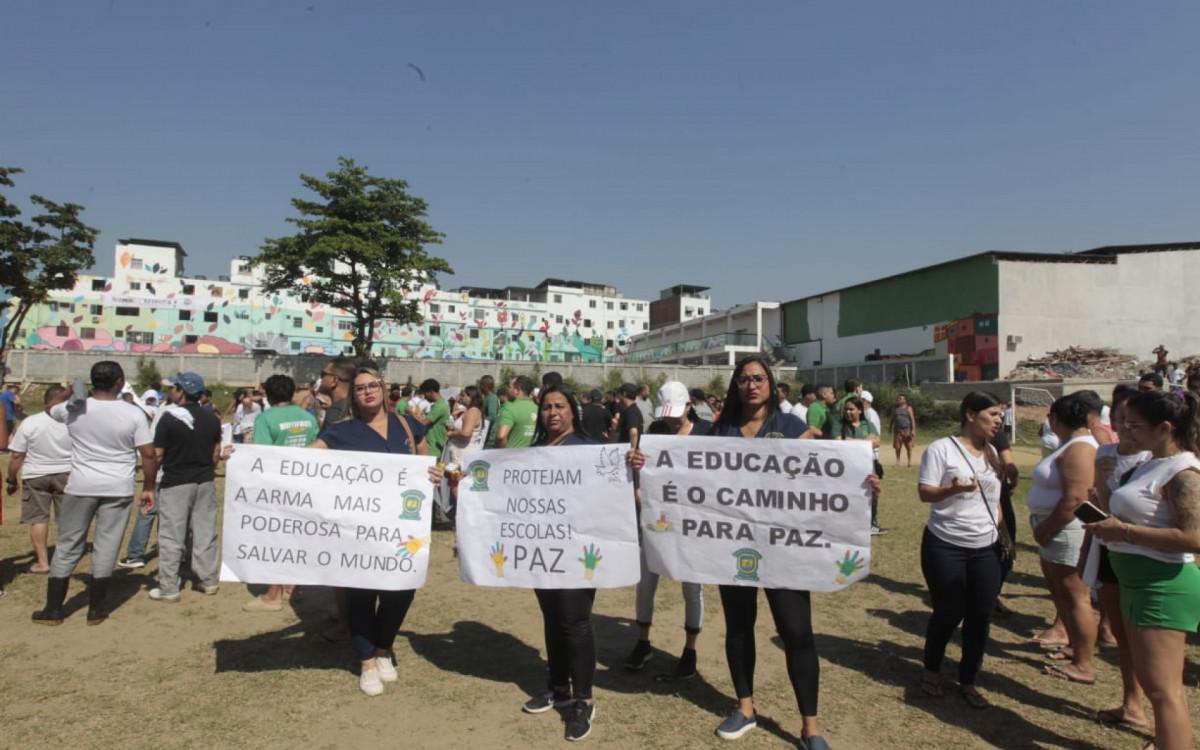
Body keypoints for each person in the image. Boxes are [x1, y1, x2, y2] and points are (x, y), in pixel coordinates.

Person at [706, 356, 833, 749]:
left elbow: (823, 480)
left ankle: (810, 727)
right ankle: (745, 708)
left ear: (770, 382)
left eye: (759, 378)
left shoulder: (793, 427)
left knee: (797, 633)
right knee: (739, 628)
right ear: (735, 386)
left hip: (785, 548)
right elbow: (688, 474)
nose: (751, 385)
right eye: (743, 379)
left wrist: (861, 486)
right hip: (735, 546)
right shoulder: (719, 431)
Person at [1085, 390, 1200, 750]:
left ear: (1165, 428)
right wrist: (1102, 495)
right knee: (1157, 687)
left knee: (1163, 691)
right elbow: (1127, 512)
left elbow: (1195, 538)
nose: (1124, 432)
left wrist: (1126, 532)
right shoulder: (1149, 462)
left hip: (1161, 585)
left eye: (1134, 425)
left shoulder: (1183, 472)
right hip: (1136, 581)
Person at [310, 365, 431, 696]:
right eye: (360, 387)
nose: (367, 391)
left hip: (404, 526)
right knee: (361, 593)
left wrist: (433, 473)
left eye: (372, 385)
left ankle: (382, 648)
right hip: (360, 529)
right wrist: (246, 458)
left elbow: (425, 462)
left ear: (383, 387)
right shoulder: (341, 432)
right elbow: (302, 462)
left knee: (402, 588)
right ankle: (366, 659)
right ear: (354, 395)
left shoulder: (408, 425)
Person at [32, 362, 158, 626]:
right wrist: (148, 486)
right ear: (120, 381)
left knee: (67, 544)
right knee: (107, 544)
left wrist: (71, 391)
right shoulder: (133, 413)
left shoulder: (75, 409)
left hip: (80, 485)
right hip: (117, 487)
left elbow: (48, 407)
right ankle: (96, 610)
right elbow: (147, 453)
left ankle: (53, 610)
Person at [916, 391, 1006, 710]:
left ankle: (969, 679)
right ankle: (931, 669)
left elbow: (995, 501)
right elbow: (925, 493)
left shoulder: (993, 453)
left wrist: (1003, 536)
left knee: (980, 616)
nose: (999, 421)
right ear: (970, 414)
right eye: (993, 414)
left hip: (986, 547)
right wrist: (952, 489)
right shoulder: (942, 449)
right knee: (948, 612)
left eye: (1000, 415)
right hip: (946, 544)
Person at [519, 385, 599, 742]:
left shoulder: (589, 450)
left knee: (574, 621)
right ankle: (559, 688)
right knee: (553, 618)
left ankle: (584, 698)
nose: (552, 412)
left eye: (560, 406)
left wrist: (630, 466)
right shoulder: (533, 452)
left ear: (572, 412)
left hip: (577, 551)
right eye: (547, 407)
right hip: (542, 550)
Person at [625, 381, 709, 681]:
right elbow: (640, 469)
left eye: (677, 413)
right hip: (656, 521)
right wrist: (634, 468)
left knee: (692, 587)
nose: (672, 420)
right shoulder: (655, 434)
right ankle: (643, 641)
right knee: (646, 584)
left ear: (690, 407)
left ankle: (690, 648)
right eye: (667, 414)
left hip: (692, 525)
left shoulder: (706, 434)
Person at [1087, 386, 1150, 729]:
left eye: (1131, 421)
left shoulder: (1157, 460)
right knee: (1122, 635)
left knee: (1149, 643)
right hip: (1110, 551)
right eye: (1120, 420)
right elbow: (1102, 511)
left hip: (1146, 557)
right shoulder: (1105, 453)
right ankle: (1132, 703)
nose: (1124, 427)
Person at [1027, 394, 1099, 685]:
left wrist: (1047, 528)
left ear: (1056, 419)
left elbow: (1076, 499)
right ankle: (1073, 648)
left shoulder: (1080, 448)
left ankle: (1084, 663)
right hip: (1056, 528)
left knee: (1076, 597)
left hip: (1066, 529)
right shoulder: (1070, 445)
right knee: (1062, 595)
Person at [243, 374, 321, 612]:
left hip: (277, 488)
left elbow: (262, 455)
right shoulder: (308, 417)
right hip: (305, 486)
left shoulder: (265, 418)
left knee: (274, 539)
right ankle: (292, 585)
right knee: (297, 537)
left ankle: (273, 594)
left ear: (268, 394)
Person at [146, 372, 224, 602]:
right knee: (205, 532)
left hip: (176, 481)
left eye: (174, 387)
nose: (171, 391)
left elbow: (157, 454)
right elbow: (216, 452)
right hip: (205, 480)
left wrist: (150, 483)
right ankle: (208, 580)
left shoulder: (169, 418)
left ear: (181, 391)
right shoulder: (212, 418)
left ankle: (169, 586)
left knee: (171, 535)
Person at [7, 385, 72, 574]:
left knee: (38, 519)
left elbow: (17, 455)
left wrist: (12, 479)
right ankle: (64, 558)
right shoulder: (73, 421)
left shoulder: (31, 422)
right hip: (66, 473)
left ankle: (43, 561)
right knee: (66, 519)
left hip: (36, 474)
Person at [834, 396, 885, 535]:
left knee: (872, 493)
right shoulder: (839, 425)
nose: (848, 412)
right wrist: (864, 442)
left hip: (868, 466)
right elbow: (839, 441)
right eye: (846, 410)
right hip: (846, 467)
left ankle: (872, 523)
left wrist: (851, 441)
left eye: (851, 409)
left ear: (860, 411)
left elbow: (877, 442)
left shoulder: (868, 425)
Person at [410, 379, 450, 457]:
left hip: (434, 448)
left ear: (431, 392)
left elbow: (424, 423)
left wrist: (410, 412)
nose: (424, 397)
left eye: (425, 394)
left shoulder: (440, 406)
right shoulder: (440, 404)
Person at [496, 376, 537, 449]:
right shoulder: (538, 409)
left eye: (510, 387)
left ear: (517, 390)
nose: (508, 390)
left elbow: (501, 436)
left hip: (512, 456)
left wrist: (500, 453)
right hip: (532, 456)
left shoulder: (510, 408)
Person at [319, 356, 355, 428]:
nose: (321, 378)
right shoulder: (354, 407)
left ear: (334, 380)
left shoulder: (335, 414)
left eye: (323, 374)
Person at [890, 395, 917, 467]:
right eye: (898, 398)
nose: (898, 400)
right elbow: (892, 419)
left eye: (900, 399)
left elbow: (912, 419)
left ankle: (909, 462)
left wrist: (913, 430)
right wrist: (890, 428)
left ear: (904, 400)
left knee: (909, 447)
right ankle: (897, 462)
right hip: (897, 430)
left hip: (907, 430)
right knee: (897, 447)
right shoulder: (895, 409)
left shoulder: (908, 408)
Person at [479, 375, 502, 448]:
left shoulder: (492, 399)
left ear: (485, 386)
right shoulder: (487, 398)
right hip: (486, 437)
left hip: (490, 439)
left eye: (481, 385)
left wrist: (479, 422)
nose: (479, 387)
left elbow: (492, 416)